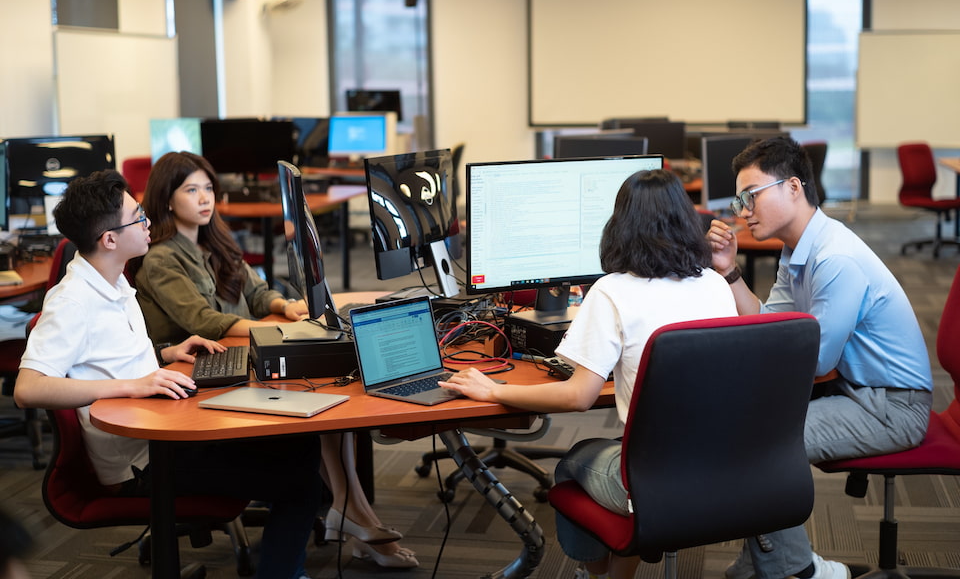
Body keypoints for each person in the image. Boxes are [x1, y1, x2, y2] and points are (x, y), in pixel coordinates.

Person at [14, 170, 325, 579]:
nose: (147, 222)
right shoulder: (72, 302)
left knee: (299, 443)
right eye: (137, 216)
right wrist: (136, 384)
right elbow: (27, 388)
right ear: (109, 239)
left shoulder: (113, 280)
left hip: (159, 430)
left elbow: (105, 357)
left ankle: (281, 564)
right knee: (303, 486)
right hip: (140, 463)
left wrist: (165, 354)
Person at [439, 169, 738, 579]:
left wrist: (494, 391)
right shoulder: (715, 284)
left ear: (621, 226)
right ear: (688, 221)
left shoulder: (613, 291)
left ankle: (599, 573)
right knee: (617, 447)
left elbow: (578, 396)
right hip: (727, 464)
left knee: (572, 465)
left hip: (656, 475)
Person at [132, 151, 417, 569]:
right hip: (199, 384)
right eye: (191, 190)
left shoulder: (216, 241)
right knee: (316, 406)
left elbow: (257, 291)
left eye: (208, 187)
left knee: (329, 399)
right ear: (167, 199)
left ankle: (353, 513)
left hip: (239, 360)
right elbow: (204, 321)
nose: (204, 198)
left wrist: (286, 308)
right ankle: (353, 517)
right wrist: (274, 335)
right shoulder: (161, 259)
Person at [706, 136, 933, 579]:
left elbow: (814, 363)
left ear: (793, 188)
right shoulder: (799, 251)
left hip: (893, 406)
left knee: (761, 444)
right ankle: (759, 566)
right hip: (856, 388)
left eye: (751, 197)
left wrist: (742, 372)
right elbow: (770, 322)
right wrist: (730, 271)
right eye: (739, 200)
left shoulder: (835, 258)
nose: (742, 212)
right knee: (741, 421)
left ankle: (800, 571)